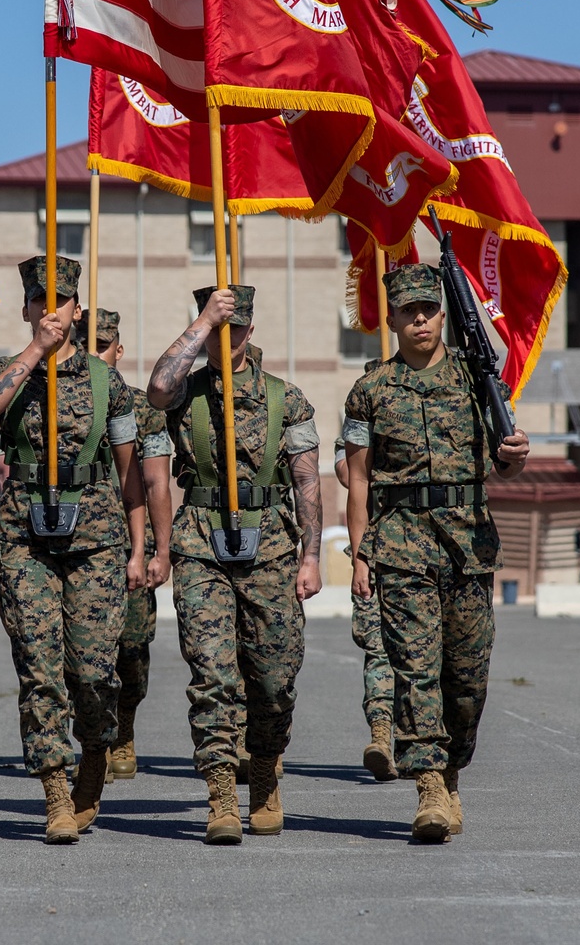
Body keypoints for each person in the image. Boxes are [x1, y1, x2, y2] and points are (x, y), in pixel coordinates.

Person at [343, 262, 529, 842]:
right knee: (414, 670)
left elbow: (505, 454)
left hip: (468, 546)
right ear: (393, 318)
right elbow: (358, 479)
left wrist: (515, 453)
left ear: (442, 314)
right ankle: (427, 786)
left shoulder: (479, 381)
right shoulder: (371, 389)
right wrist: (359, 554)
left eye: (429, 311)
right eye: (408, 312)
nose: (420, 321)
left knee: (467, 680)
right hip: (401, 545)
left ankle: (450, 770)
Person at [0, 257, 147, 844]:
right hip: (23, 538)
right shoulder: (5, 371)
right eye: (39, 301)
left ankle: (94, 753)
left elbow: (131, 478)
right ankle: (54, 790)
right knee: (40, 671)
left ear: (77, 309)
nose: (51, 310)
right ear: (26, 310)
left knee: (92, 672)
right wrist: (33, 355)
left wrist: (139, 549)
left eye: (62, 301)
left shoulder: (106, 382)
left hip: (95, 539)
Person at [149, 285, 322, 845]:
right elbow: (156, 388)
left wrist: (311, 555)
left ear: (252, 330)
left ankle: (265, 767)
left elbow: (306, 482)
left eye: (237, 329)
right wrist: (203, 323)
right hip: (200, 546)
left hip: (270, 547)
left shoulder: (286, 399)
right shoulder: (187, 393)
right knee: (213, 673)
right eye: (220, 330)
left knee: (273, 681)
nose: (230, 340)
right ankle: (221, 792)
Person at [75, 307, 173, 780]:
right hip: (78, 543)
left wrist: (159, 549)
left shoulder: (144, 410)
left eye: (103, 346)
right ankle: (94, 736)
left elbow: (156, 485)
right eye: (87, 344)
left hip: (127, 547)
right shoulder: (59, 399)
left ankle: (125, 727)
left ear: (119, 350)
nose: (96, 354)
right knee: (81, 652)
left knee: (132, 648)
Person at [334, 438, 397, 782]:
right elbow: (346, 471)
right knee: (378, 648)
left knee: (427, 655)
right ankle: (381, 735)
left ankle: (415, 741)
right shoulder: (367, 405)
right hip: (374, 550)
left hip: (424, 550)